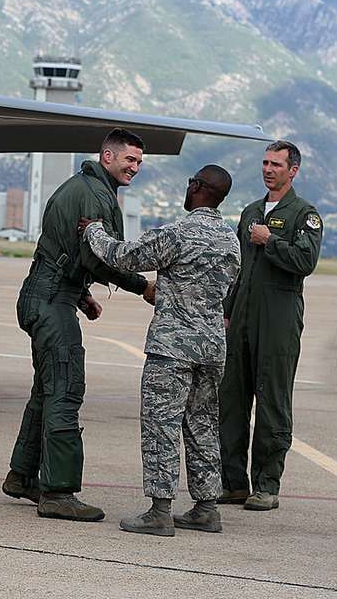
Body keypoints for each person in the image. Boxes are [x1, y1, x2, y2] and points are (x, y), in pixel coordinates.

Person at [4, 128, 155, 522]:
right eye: (129, 159)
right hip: (52, 302)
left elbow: (65, 252)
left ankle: (22, 475)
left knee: (47, 389)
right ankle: (58, 492)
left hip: (51, 295)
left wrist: (81, 295)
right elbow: (101, 258)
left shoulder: (85, 186)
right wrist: (143, 286)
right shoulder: (93, 194)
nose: (135, 167)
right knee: (65, 390)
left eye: (139, 161)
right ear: (107, 156)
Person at [80, 165, 240, 535]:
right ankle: (206, 507)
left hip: (173, 348)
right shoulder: (229, 241)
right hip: (212, 348)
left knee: (160, 425)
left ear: (198, 188)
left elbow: (123, 256)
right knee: (202, 425)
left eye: (190, 182)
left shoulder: (180, 233)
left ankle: (160, 510)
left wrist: (93, 230)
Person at [219, 140, 323, 511]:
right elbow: (236, 270)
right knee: (230, 399)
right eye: (265, 162)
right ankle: (232, 483)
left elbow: (306, 260)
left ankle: (266, 484)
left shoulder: (304, 214)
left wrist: (271, 240)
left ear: (293, 170)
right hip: (242, 318)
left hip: (278, 320)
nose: (268, 169)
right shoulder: (249, 212)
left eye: (276, 164)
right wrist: (227, 312)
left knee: (272, 401)